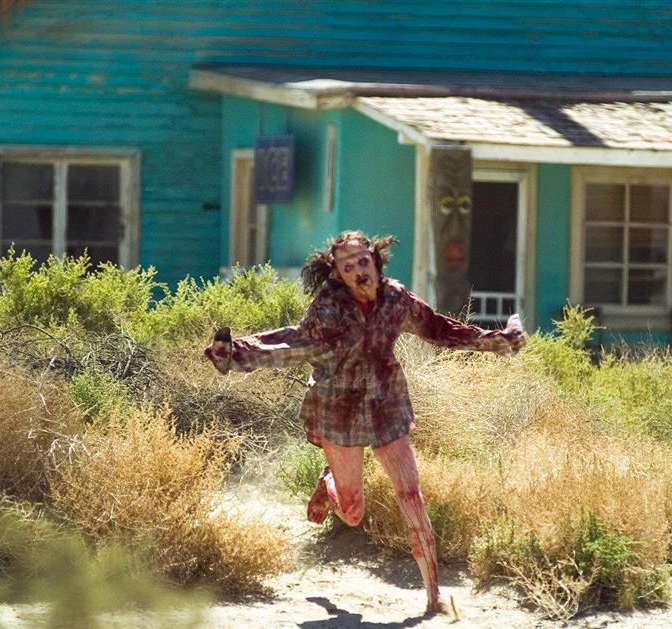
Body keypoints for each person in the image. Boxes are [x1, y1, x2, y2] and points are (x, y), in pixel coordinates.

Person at [204, 230, 525, 615]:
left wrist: (498, 341)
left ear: (375, 260)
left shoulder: (396, 299)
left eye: (362, 260)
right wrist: (233, 353)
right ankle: (330, 484)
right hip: (338, 408)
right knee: (353, 513)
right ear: (338, 275)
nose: (358, 270)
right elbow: (293, 343)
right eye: (347, 266)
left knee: (411, 494)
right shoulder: (329, 308)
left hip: (385, 402)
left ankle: (433, 595)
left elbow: (440, 328)